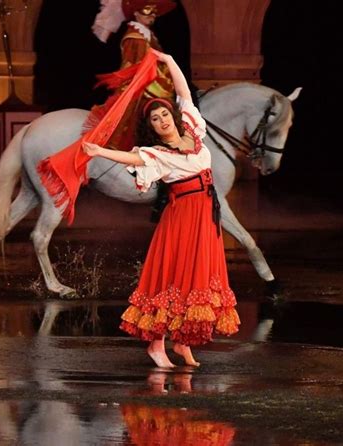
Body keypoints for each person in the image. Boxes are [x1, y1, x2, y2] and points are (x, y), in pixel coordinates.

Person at [83, 50, 240, 368]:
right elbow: (133, 159)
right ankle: (156, 345)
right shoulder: (157, 153)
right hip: (182, 217)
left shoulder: (194, 132)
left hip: (205, 218)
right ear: (152, 127)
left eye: (164, 115)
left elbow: (183, 93)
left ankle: (182, 343)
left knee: (198, 279)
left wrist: (169, 61)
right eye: (155, 119)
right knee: (175, 277)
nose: (162, 121)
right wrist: (100, 150)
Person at [88, 0, 176, 151]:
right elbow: (132, 64)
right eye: (148, 11)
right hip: (143, 82)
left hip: (155, 80)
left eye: (155, 12)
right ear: (136, 13)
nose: (152, 15)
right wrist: (154, 76)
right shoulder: (134, 37)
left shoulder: (149, 36)